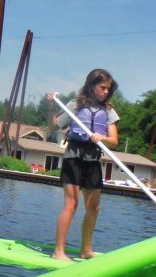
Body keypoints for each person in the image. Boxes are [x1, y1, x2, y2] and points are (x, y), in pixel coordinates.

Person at [48, 69, 120, 261]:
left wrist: (101, 136)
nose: (106, 92)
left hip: (93, 159)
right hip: (74, 157)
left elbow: (114, 140)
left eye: (108, 89)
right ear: (91, 86)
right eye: (102, 87)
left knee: (94, 207)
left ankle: (85, 250)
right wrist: (51, 107)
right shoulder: (75, 104)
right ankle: (59, 252)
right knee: (71, 204)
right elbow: (55, 126)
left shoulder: (109, 110)